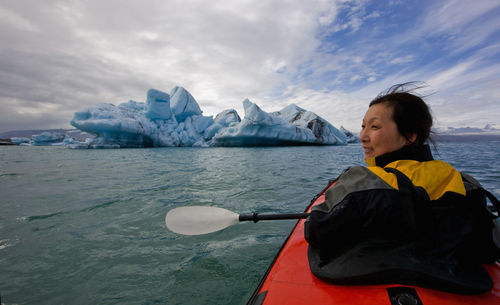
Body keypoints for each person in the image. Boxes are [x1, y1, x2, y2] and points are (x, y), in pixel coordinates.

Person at [305, 83, 499, 294]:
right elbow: (487, 247)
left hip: (361, 278)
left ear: (410, 135)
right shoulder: (465, 183)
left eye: (374, 127)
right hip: (463, 283)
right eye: (363, 126)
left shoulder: (365, 181)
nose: (362, 136)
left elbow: (316, 231)